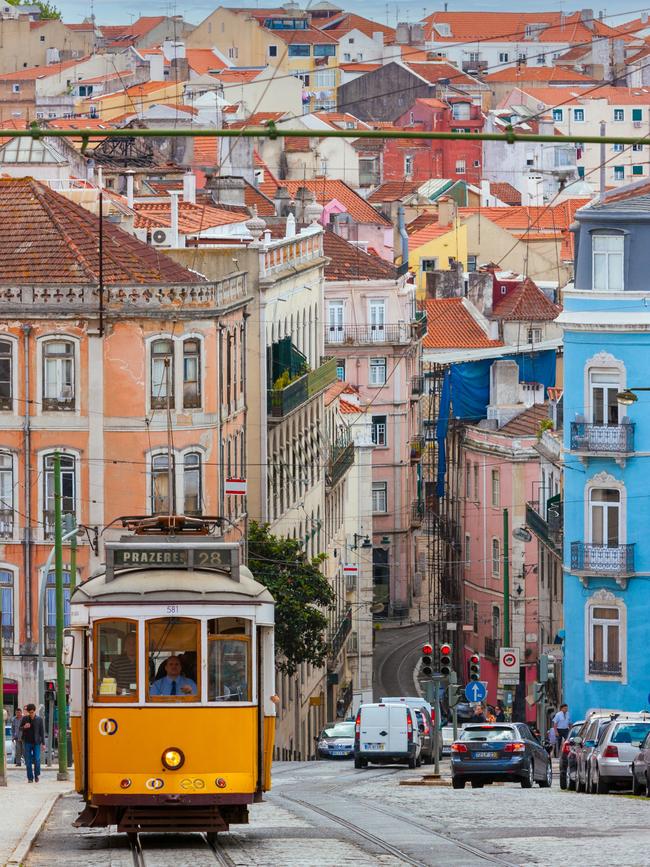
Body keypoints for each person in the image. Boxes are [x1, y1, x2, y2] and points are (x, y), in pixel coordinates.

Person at [19, 704, 45, 783]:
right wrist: (24, 727)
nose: (31, 714)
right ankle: (30, 778)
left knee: (37, 759)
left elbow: (42, 731)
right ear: (27, 712)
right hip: (27, 742)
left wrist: (43, 743)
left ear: (34, 711)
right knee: (28, 761)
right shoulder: (25, 718)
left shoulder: (39, 719)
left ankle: (36, 775)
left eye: (32, 712)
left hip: (37, 742)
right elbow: (20, 728)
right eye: (29, 712)